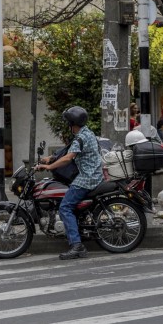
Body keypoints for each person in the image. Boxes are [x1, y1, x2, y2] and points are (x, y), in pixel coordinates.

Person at [35, 106, 104, 260]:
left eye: (68, 122)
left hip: (87, 178)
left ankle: (76, 245)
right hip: (94, 175)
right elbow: (67, 150)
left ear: (73, 123)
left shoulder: (81, 137)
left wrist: (49, 167)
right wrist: (51, 158)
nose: (67, 125)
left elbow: (68, 158)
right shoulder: (86, 133)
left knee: (65, 207)